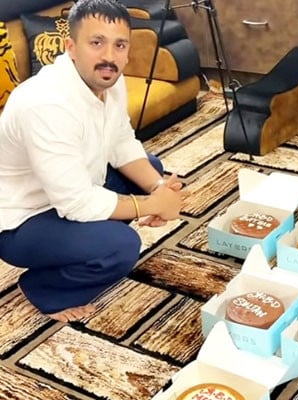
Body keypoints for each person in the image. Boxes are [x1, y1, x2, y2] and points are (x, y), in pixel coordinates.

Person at [0, 0, 183, 323]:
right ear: (71, 47)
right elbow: (77, 203)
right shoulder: (45, 104)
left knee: (149, 167)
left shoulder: (109, 80)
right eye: (96, 42)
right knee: (121, 247)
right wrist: (150, 205)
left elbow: (121, 142)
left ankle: (84, 244)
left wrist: (158, 187)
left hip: (68, 193)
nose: (109, 56)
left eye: (119, 45)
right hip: (22, 222)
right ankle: (45, 288)